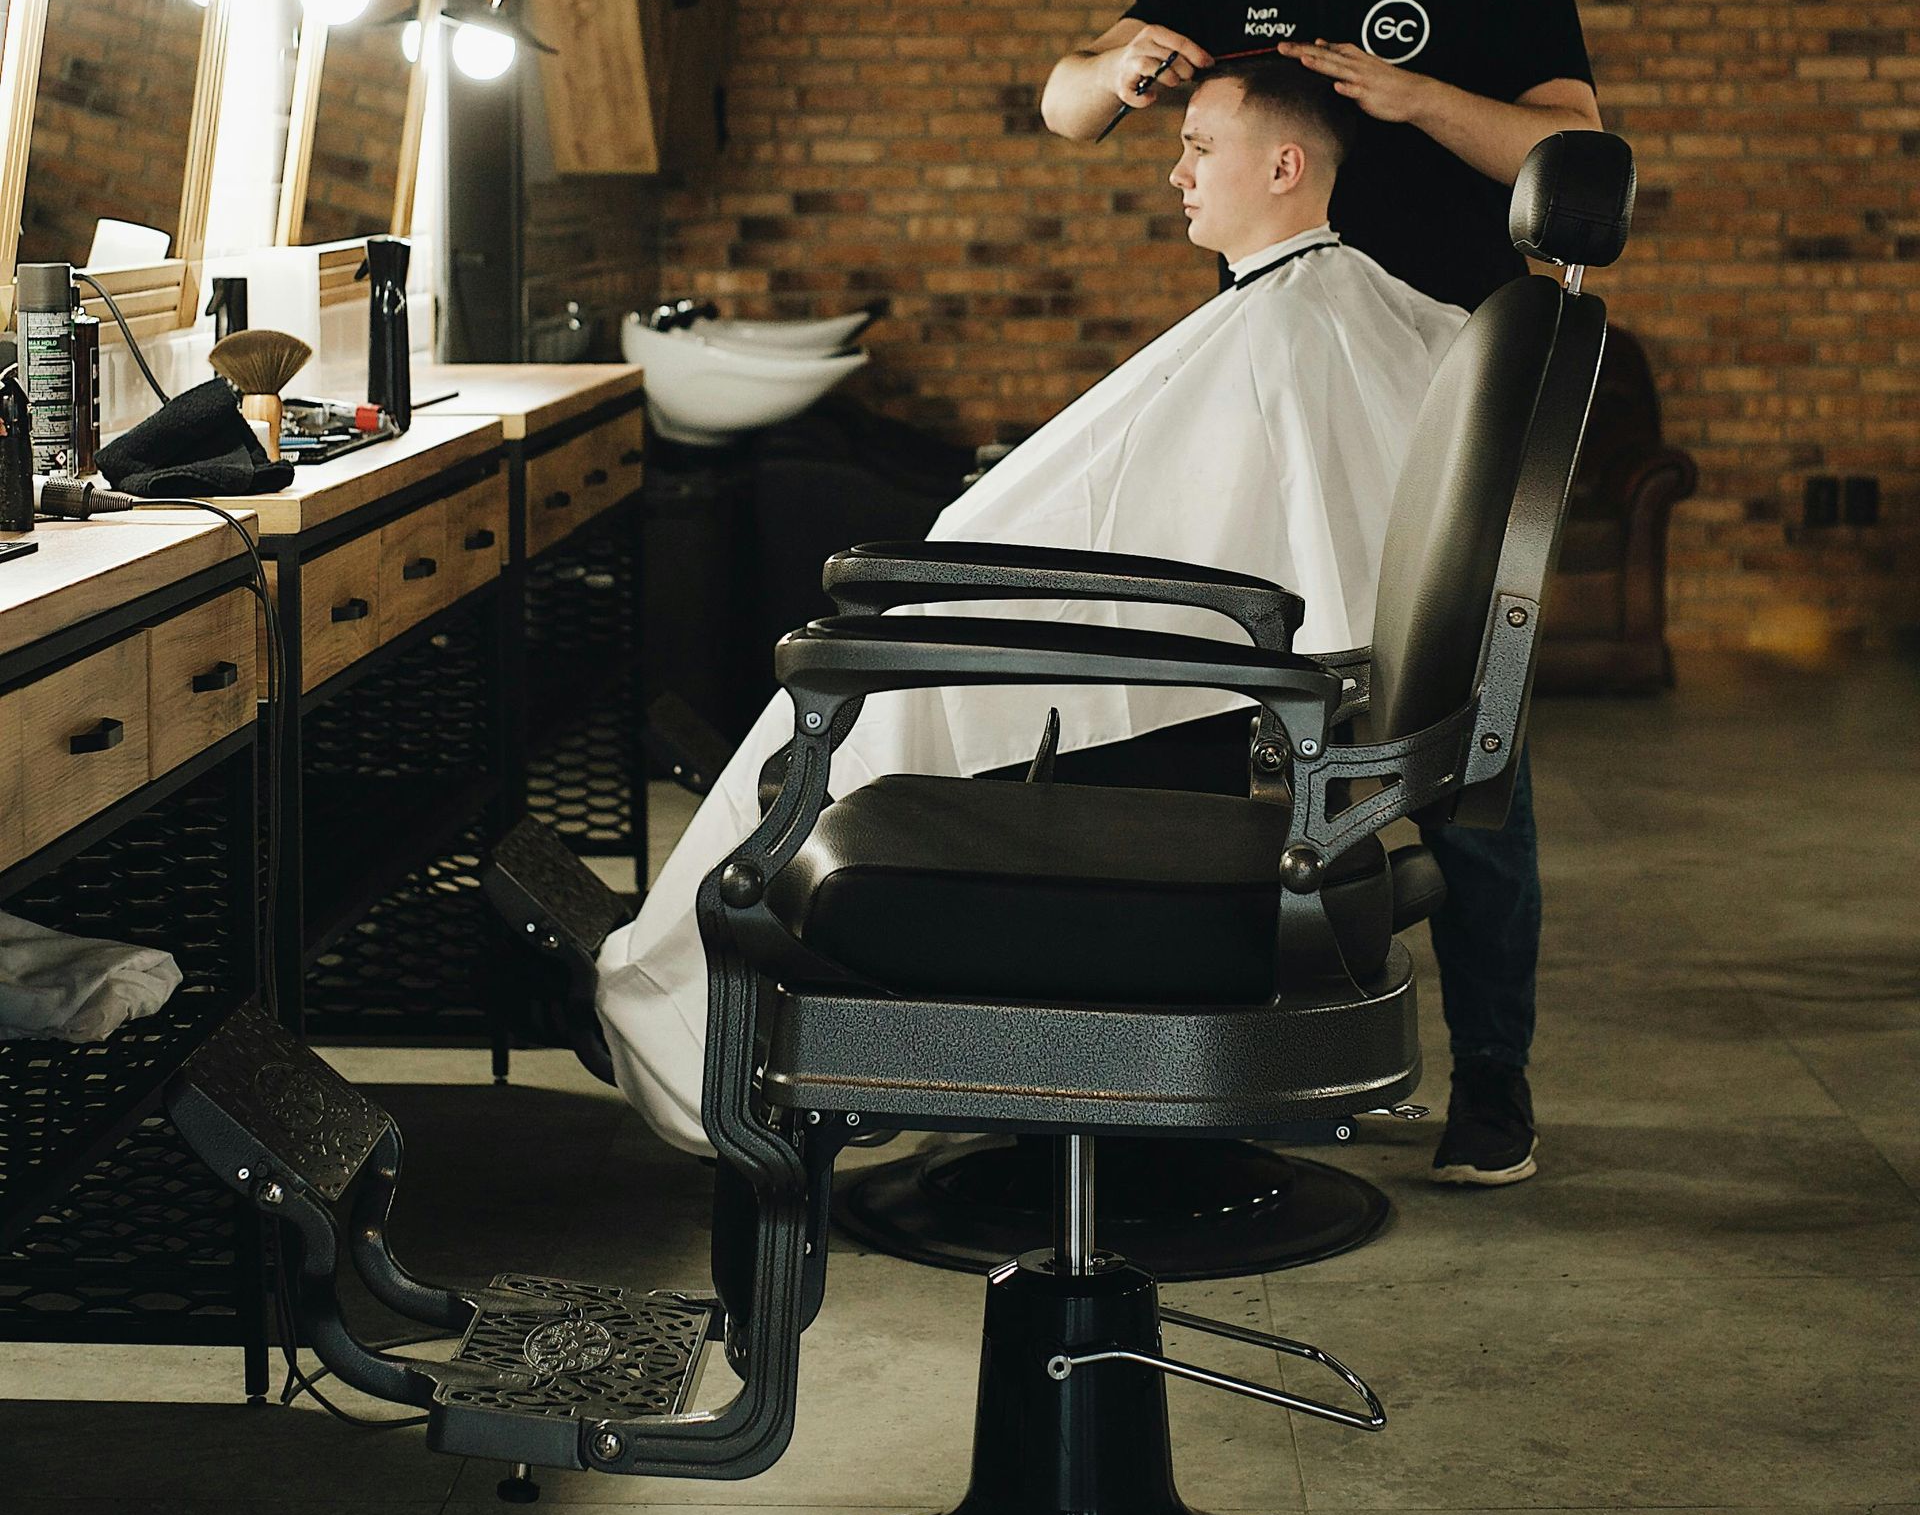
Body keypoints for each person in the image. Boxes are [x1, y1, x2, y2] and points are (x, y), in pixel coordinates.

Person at [599, 57, 1465, 1155]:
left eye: (1200, 146)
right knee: (896, 648)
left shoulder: (1287, 334)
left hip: (1237, 721)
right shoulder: (1372, 312)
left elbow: (1256, 560)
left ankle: (688, 1017)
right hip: (1300, 737)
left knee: (862, 690)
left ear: (1285, 165)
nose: (1175, 173)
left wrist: (970, 565)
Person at [1041, 0, 1603, 1186]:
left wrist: (1413, 96)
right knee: (1256, 713)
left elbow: (1576, 153)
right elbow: (1067, 101)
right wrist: (1120, 74)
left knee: (1458, 739)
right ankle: (1270, 1050)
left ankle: (1492, 1078)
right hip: (1284, 386)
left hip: (1447, 390)